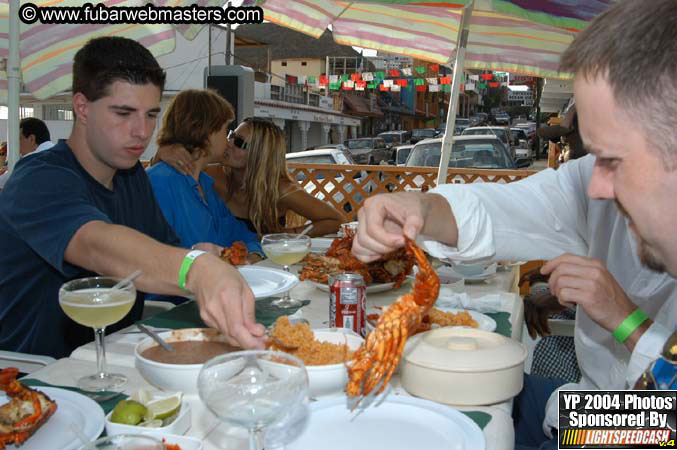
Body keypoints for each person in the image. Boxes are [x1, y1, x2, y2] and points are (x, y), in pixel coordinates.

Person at [350, 1, 677, 449]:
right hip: (592, 400)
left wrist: (626, 321)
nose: (596, 186)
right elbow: (497, 210)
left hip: (637, 426)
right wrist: (419, 206)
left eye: (612, 160)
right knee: (432, 403)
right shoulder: (593, 188)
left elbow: (663, 423)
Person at [0, 36, 266, 359]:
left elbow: (163, 251)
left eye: (151, 114)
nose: (142, 131)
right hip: (35, 378)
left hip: (118, 361)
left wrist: (199, 252)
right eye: (124, 113)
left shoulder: (131, 177)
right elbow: (96, 244)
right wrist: (195, 268)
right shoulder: (37, 179)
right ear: (81, 108)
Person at [154, 118, 345, 237]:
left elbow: (336, 220)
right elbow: (161, 178)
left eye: (238, 142)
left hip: (266, 269)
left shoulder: (280, 190)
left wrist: (289, 235)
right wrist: (164, 152)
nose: (228, 144)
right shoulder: (211, 174)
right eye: (230, 135)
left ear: (259, 154)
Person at [147, 89, 263, 261]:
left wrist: (251, 257)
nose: (229, 141)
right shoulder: (159, 184)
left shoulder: (205, 185)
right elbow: (151, 260)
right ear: (207, 132)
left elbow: (246, 237)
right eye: (226, 131)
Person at [0, 118, 55, 189]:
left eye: (19, 139)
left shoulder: (31, 160)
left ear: (31, 139)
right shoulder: (57, 153)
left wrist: (10, 170)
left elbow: (4, 181)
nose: (17, 146)